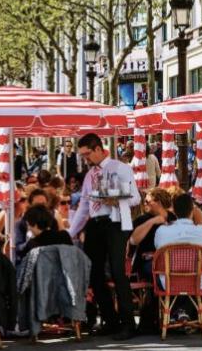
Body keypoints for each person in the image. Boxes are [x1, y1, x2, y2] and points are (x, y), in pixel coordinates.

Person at [68, 133, 141, 340]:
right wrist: (71, 233)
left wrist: (116, 199)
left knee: (118, 272)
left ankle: (128, 323)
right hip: (96, 223)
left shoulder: (120, 167)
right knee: (95, 273)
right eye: (82, 156)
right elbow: (83, 205)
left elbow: (135, 197)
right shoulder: (90, 175)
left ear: (99, 149)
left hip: (116, 222)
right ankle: (110, 320)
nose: (85, 159)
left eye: (87, 154)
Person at [129, 188, 176, 280]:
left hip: (169, 260)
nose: (145, 204)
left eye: (147, 201)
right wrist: (152, 222)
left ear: (158, 203)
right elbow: (133, 241)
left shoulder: (173, 218)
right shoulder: (142, 220)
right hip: (147, 262)